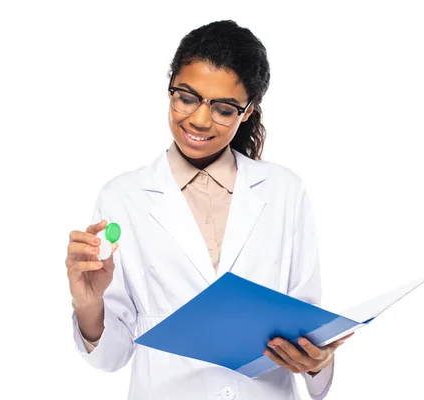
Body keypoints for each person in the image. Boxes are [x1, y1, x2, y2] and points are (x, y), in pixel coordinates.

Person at [65, 20, 354, 400]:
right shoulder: (123, 197)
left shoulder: (285, 190)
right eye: (186, 97)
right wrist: (88, 303)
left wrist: (316, 360)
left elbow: (306, 324)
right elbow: (112, 357)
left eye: (223, 108)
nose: (199, 120)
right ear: (170, 86)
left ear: (248, 111)